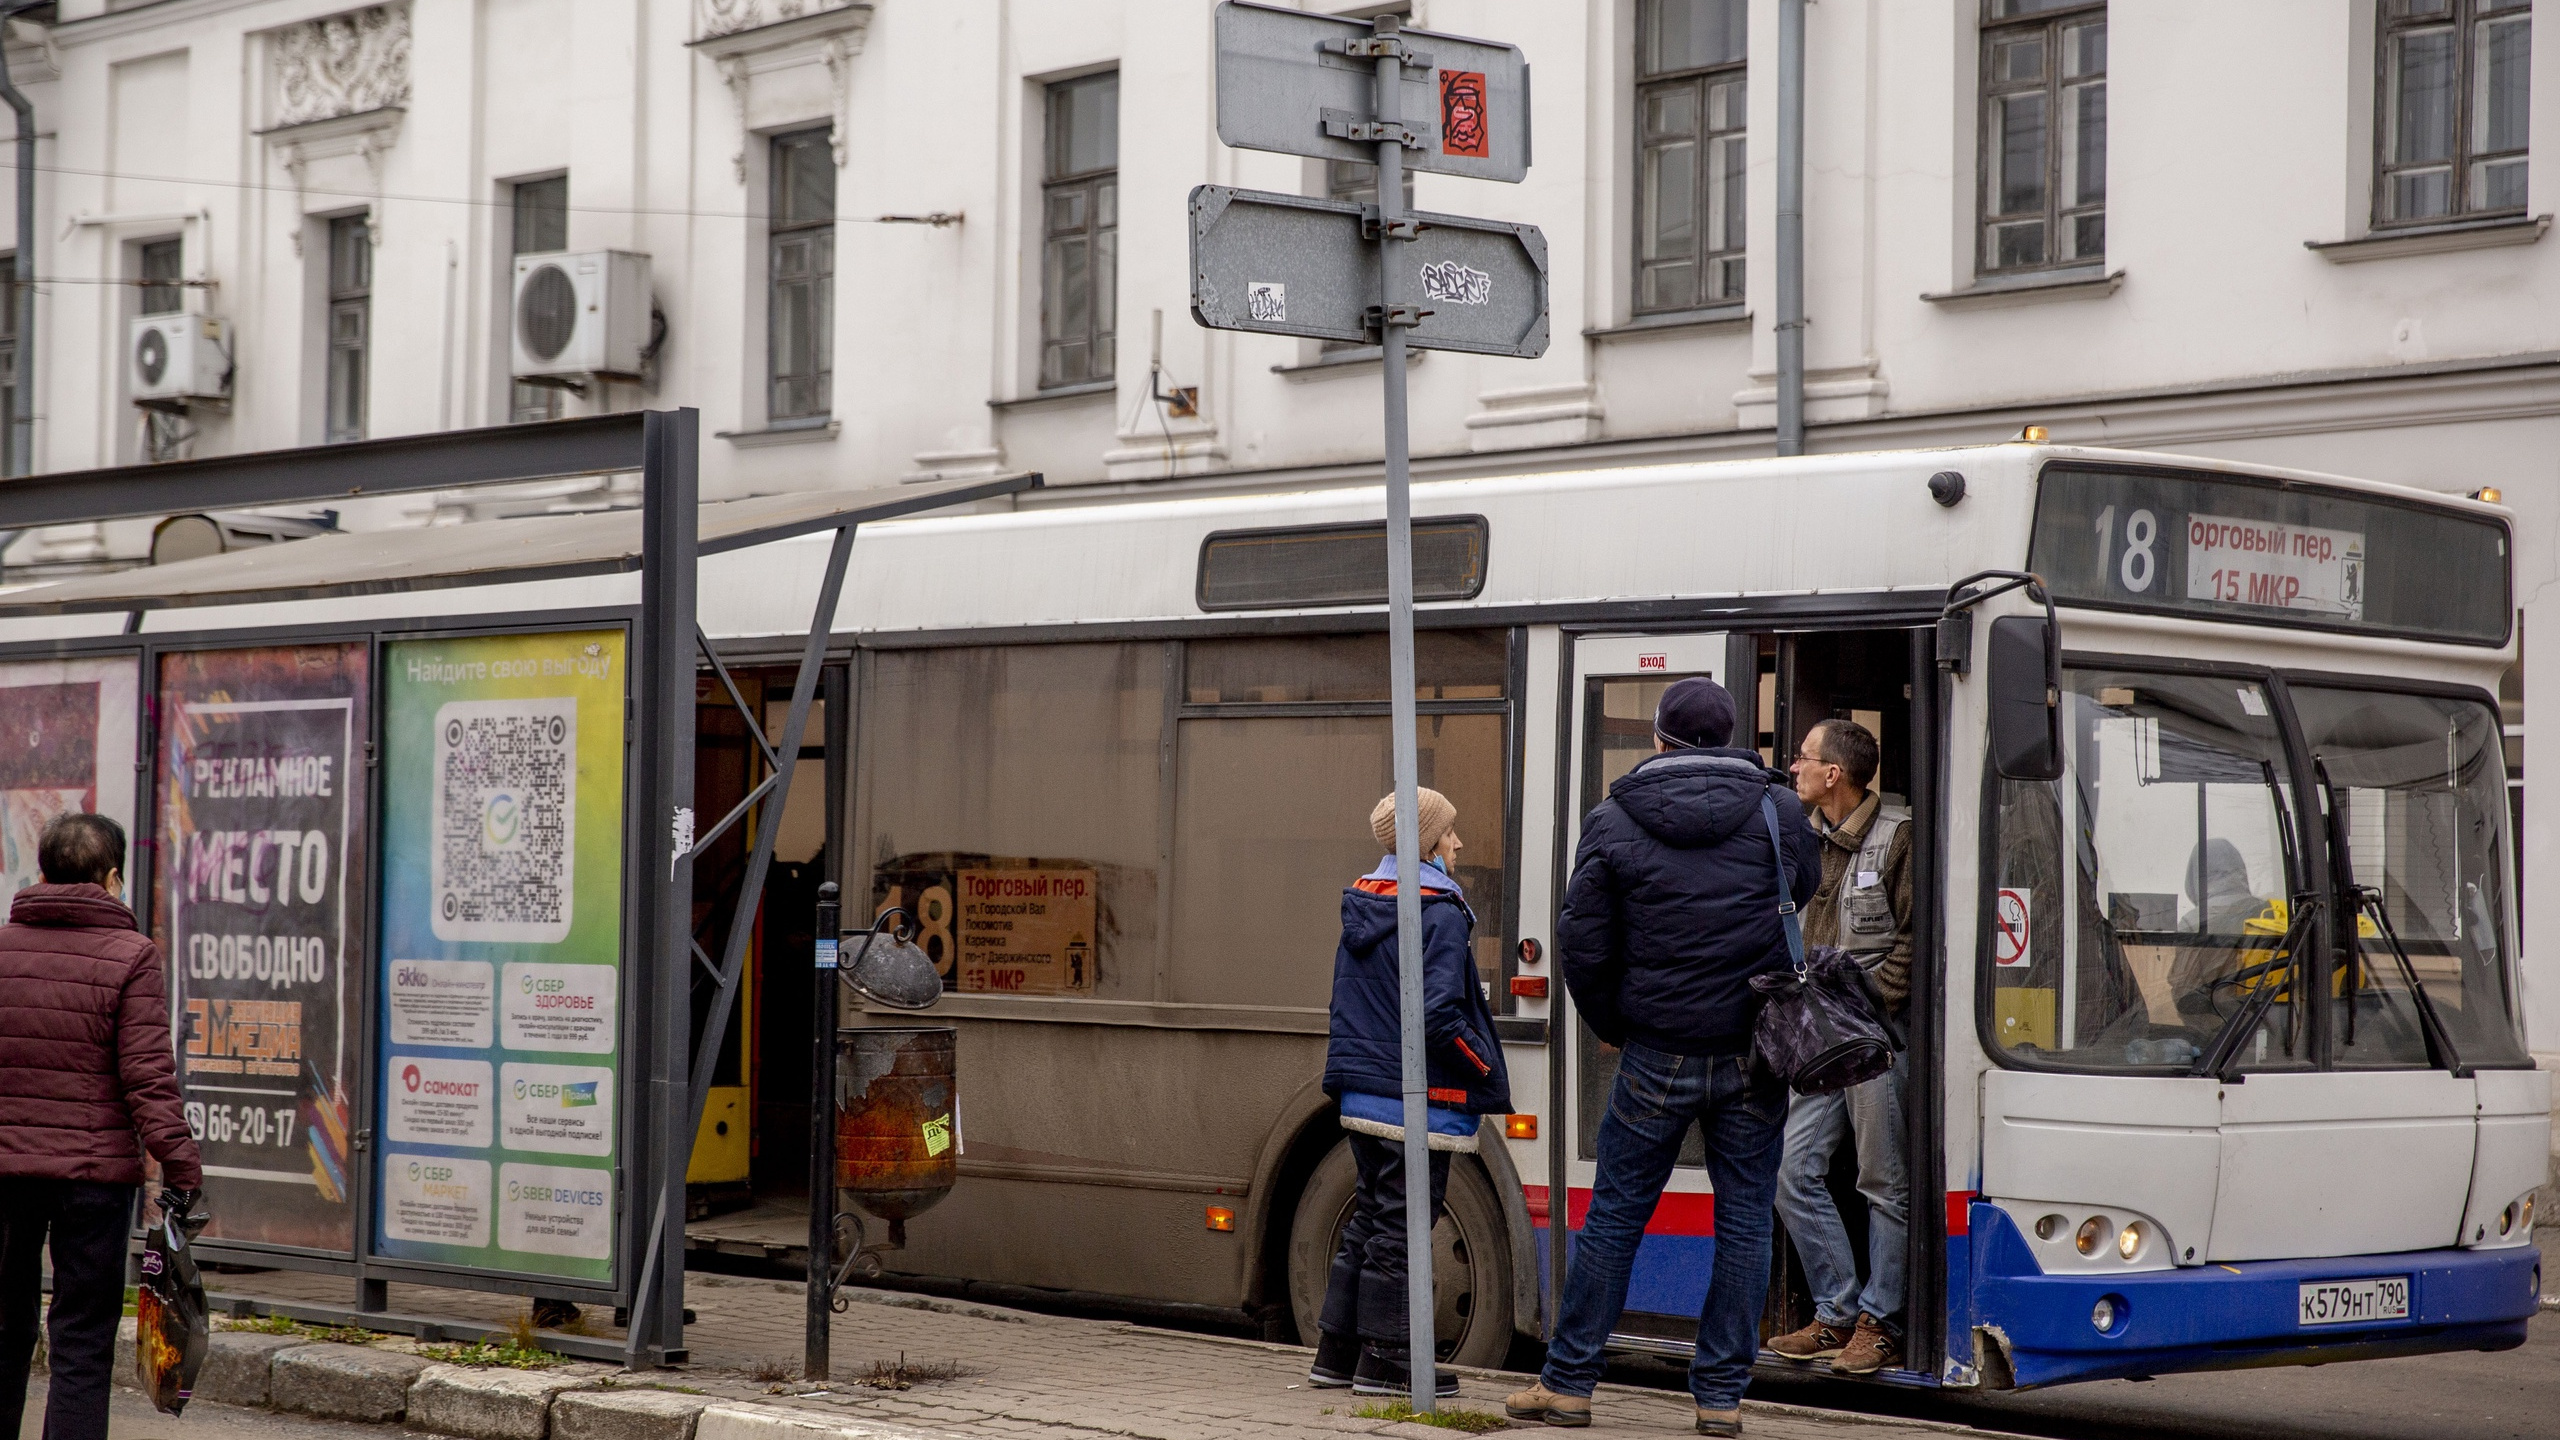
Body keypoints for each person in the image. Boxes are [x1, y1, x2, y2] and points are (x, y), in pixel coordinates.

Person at [1508, 677, 1818, 1437]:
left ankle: (1571, 1385)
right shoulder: (1778, 810)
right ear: (1732, 735)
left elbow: (1584, 941)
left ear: (1658, 739)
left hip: (1656, 1052)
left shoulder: (1613, 819)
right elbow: (1800, 891)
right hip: (1752, 1050)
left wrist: (1615, 1023)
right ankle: (1719, 1397)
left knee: (1615, 1214)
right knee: (1745, 1221)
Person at [0, 814, 203, 1440]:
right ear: (112, 879)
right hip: (94, 1181)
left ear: (42, 874)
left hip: (5, 1174)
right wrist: (181, 1166)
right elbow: (148, 1075)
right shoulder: (132, 956)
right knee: (82, 1341)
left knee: (4, 1328)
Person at [1309, 788, 1511, 1399]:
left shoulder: (1366, 903)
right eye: (1449, 833)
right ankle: (1390, 1360)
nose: (1458, 843)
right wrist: (1482, 1068)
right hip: (1415, 1100)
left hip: (1364, 1093)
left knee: (1370, 1218)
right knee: (1400, 1227)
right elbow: (1441, 1016)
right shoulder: (1440, 910)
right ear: (1426, 842)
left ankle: (1336, 1354)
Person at [1768, 719, 1914, 1376]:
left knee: (1883, 1182)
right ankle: (1834, 1311)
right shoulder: (1802, 836)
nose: (1792, 767)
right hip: (1818, 1039)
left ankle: (1879, 1323)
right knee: (1791, 1171)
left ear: (1835, 775)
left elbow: (1913, 942)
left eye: (1804, 758)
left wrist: (1865, 1002)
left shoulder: (1898, 837)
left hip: (1874, 1039)